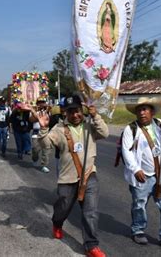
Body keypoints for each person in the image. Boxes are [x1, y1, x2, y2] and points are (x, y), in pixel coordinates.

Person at [33, 95, 109, 257]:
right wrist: (44, 128)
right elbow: (46, 145)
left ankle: (91, 245)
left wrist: (95, 115)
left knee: (91, 212)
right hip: (67, 178)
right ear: (65, 113)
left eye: (77, 111)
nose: (75, 115)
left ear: (82, 111)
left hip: (89, 175)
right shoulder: (59, 129)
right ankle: (57, 223)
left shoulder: (90, 126)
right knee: (63, 207)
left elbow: (105, 133)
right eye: (70, 112)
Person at [121, 97, 161, 251]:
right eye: (139, 110)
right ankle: (138, 230)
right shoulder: (130, 129)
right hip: (142, 175)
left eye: (145, 109)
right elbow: (126, 151)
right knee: (139, 204)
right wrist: (135, 169)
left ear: (151, 112)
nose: (142, 113)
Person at [29, 99, 51, 173]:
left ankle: (44, 165)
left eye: (43, 102)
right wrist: (37, 115)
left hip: (45, 132)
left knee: (46, 149)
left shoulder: (48, 111)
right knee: (35, 149)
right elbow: (31, 120)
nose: (41, 104)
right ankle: (35, 159)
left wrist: (47, 110)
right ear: (37, 104)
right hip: (36, 133)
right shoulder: (34, 112)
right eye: (40, 103)